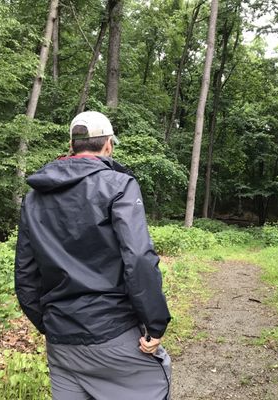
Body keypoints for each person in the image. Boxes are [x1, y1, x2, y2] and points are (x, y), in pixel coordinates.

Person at [15, 111, 172, 400]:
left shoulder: (34, 198)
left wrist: (50, 325)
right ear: (109, 145)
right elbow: (138, 258)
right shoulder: (119, 185)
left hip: (61, 343)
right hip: (113, 335)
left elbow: (25, 277)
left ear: (71, 145)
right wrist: (155, 324)